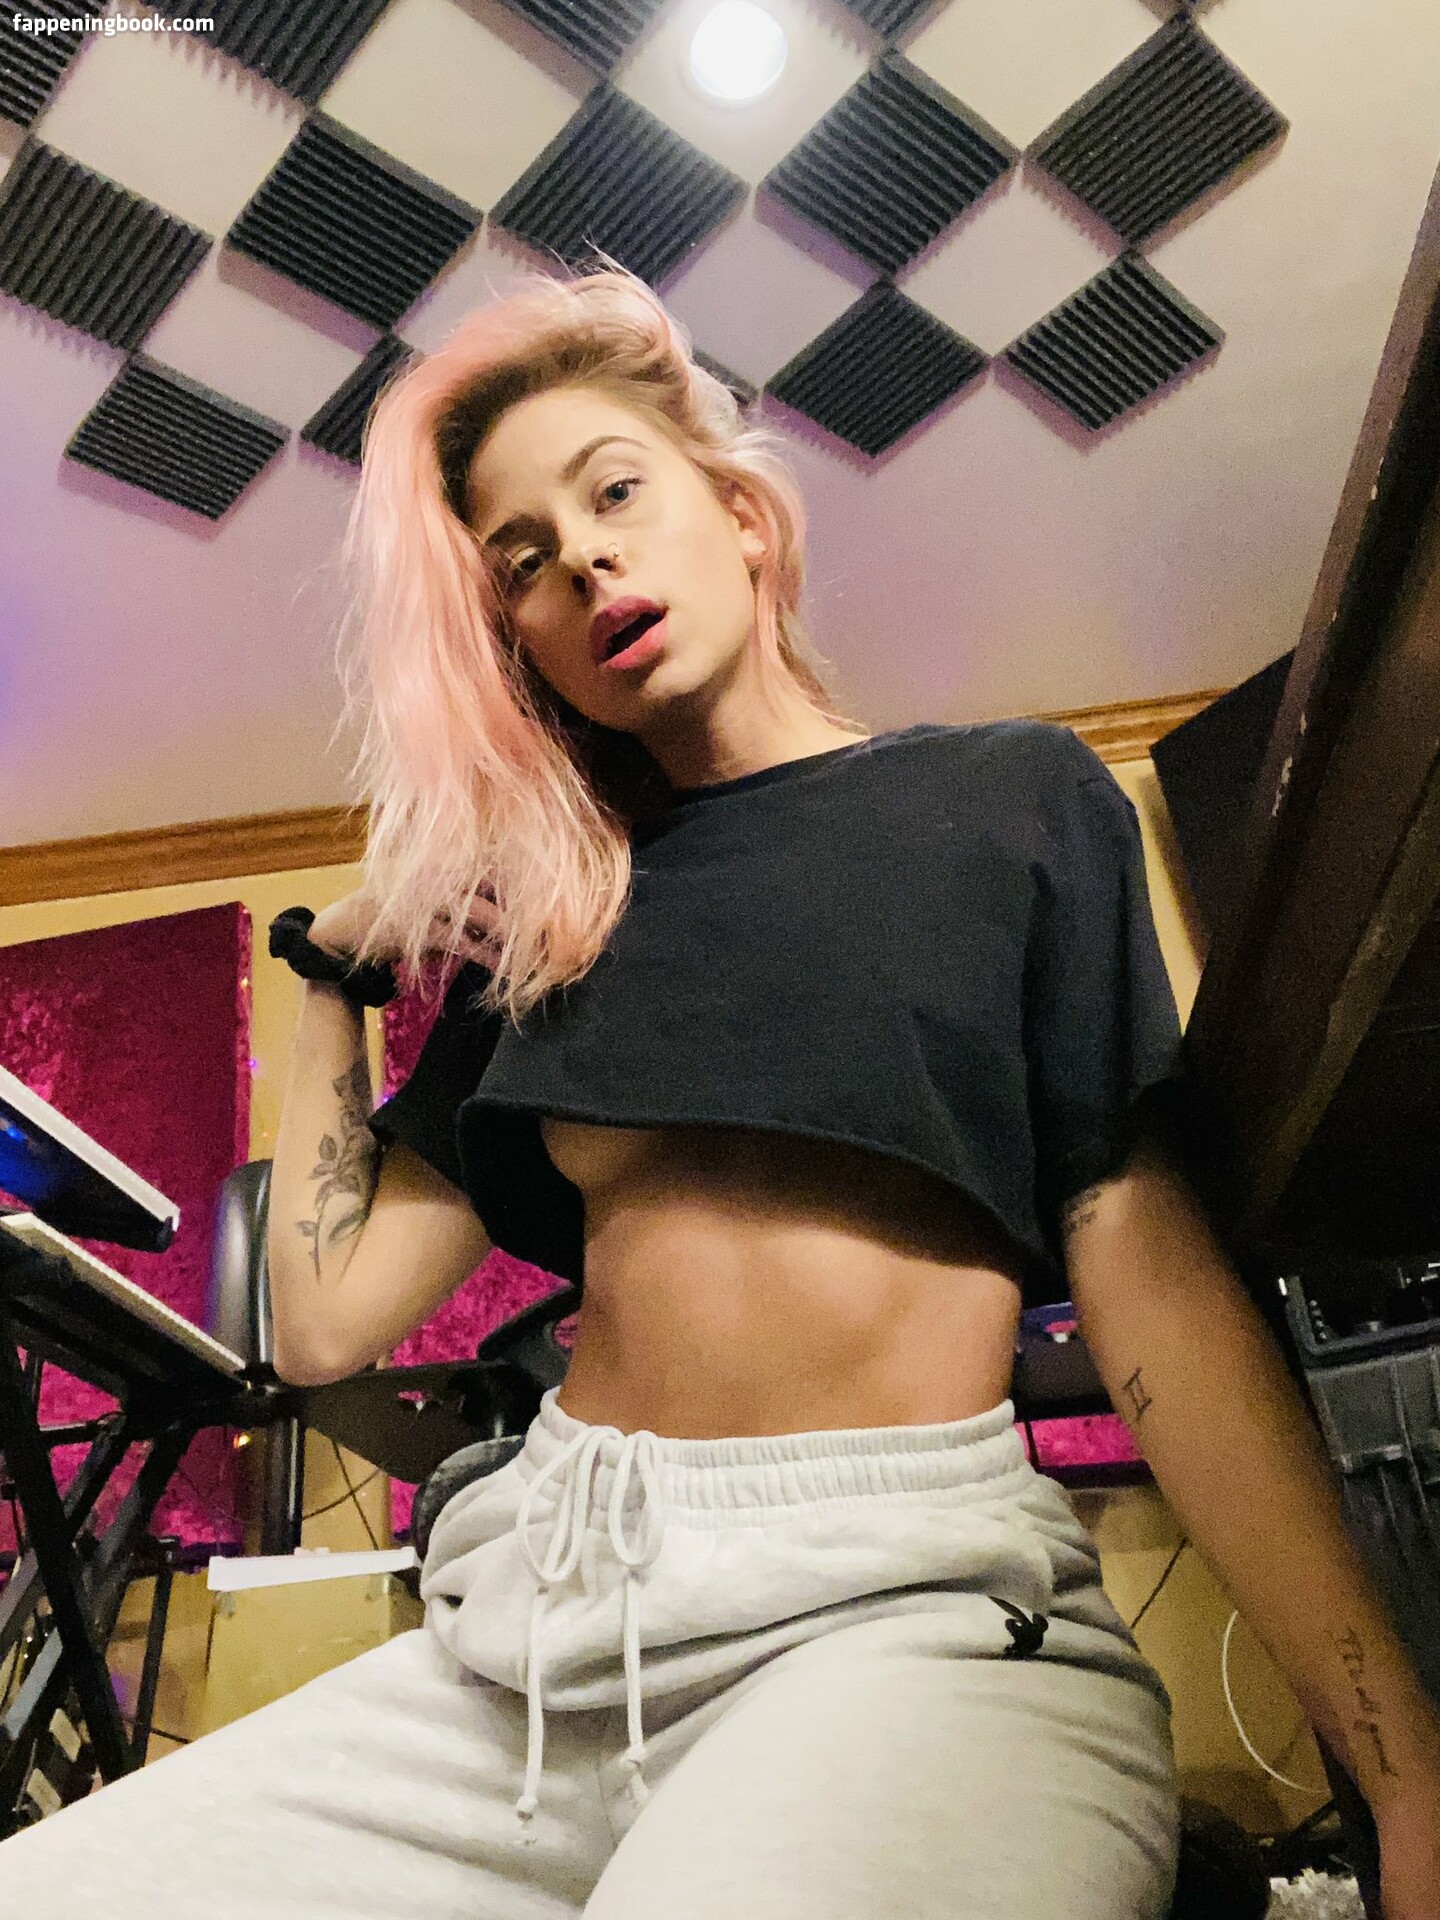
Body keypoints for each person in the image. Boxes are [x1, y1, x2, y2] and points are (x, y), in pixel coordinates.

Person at [3, 266, 1437, 1920]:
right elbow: (322, 1328)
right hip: (534, 1629)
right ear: (524, 647)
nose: (581, 560)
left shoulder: (1011, 802)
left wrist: (1403, 1775)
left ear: (743, 519)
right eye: (521, 563)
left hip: (899, 1605)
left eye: (614, 492)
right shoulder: (557, 919)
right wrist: (330, 969)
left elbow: (1153, 1280)